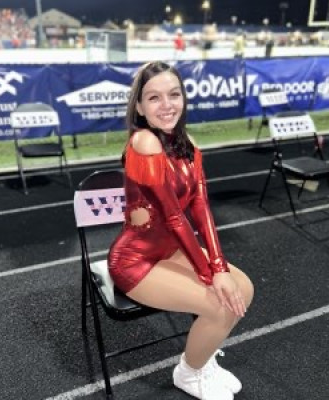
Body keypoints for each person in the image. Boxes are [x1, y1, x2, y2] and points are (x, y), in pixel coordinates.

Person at [108, 61, 254, 400]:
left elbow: (200, 207)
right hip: (135, 262)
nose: (166, 105)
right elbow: (174, 217)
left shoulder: (186, 141)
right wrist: (211, 274)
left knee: (243, 289)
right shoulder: (145, 142)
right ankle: (189, 372)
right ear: (139, 107)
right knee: (221, 305)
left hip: (170, 250)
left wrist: (219, 267)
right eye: (154, 98)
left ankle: (202, 360)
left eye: (174, 95)